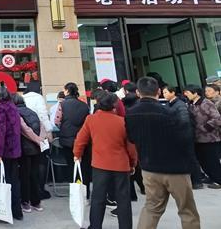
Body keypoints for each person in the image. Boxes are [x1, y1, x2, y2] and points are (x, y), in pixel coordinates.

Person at [125, 76, 200, 229]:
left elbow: (131, 138)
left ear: (138, 92)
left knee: (151, 208)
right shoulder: (169, 112)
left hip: (149, 168)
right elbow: (185, 138)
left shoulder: (130, 113)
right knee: (187, 210)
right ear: (158, 91)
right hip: (176, 169)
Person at [74, 91, 137, 229]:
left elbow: (80, 139)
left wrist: (77, 154)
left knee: (98, 198)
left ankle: (95, 226)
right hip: (121, 165)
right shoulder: (122, 122)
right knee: (123, 199)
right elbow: (131, 146)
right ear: (114, 106)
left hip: (100, 165)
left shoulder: (91, 119)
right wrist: (133, 163)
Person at [0, 89, 23, 221]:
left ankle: (3, 210)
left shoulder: (0, 109)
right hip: (14, 150)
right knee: (14, 181)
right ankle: (17, 211)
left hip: (4, 151)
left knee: (3, 181)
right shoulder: (13, 107)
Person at [55, 82, 91, 199]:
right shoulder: (84, 105)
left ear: (67, 91)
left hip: (67, 140)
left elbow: (56, 121)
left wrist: (64, 127)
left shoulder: (62, 105)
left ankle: (76, 193)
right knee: (84, 167)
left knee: (71, 167)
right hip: (82, 139)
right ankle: (85, 192)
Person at [163, 86, 203, 190]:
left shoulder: (179, 104)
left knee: (190, 157)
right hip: (178, 135)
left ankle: (197, 181)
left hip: (185, 135)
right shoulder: (169, 104)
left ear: (173, 92)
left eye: (166, 92)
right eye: (163, 92)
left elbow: (184, 121)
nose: (164, 94)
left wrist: (174, 127)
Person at [183, 84, 221, 189]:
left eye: (187, 92)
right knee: (203, 161)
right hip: (198, 138)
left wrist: (205, 128)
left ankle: (219, 180)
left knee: (212, 162)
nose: (185, 94)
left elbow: (217, 118)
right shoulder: (190, 104)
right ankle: (212, 177)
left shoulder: (206, 103)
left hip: (210, 138)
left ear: (195, 93)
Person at [12, 93, 44, 214]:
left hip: (25, 149)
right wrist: (40, 140)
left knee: (24, 175)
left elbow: (25, 130)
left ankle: (25, 202)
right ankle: (36, 202)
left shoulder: (16, 113)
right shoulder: (32, 112)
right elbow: (42, 126)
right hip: (36, 149)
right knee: (34, 175)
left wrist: (37, 139)